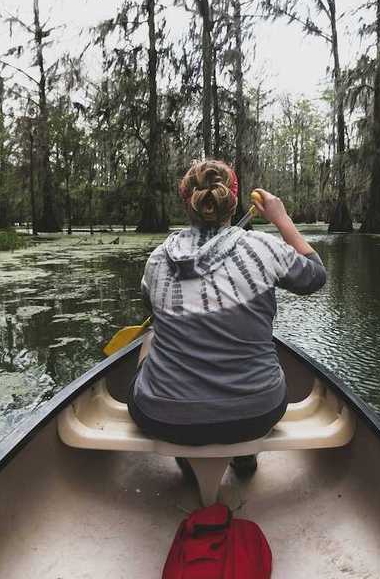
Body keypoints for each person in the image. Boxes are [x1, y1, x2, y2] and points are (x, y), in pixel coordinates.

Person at [127, 159, 326, 477]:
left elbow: (151, 307)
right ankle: (244, 457)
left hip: (163, 417)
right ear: (232, 202)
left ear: (187, 203)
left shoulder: (157, 260)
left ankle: (188, 463)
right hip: (258, 412)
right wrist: (282, 219)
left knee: (151, 337)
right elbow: (315, 276)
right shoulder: (264, 247)